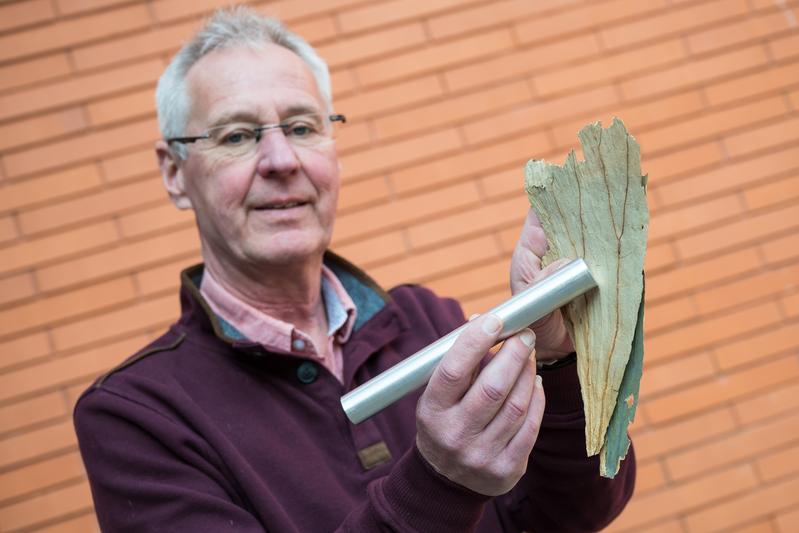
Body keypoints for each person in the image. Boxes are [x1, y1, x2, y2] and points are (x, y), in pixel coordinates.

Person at [74, 7, 635, 532]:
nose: (282, 161)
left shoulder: (423, 318)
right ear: (174, 172)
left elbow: (571, 515)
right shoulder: (137, 417)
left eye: (301, 127)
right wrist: (439, 483)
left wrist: (561, 361)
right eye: (237, 136)